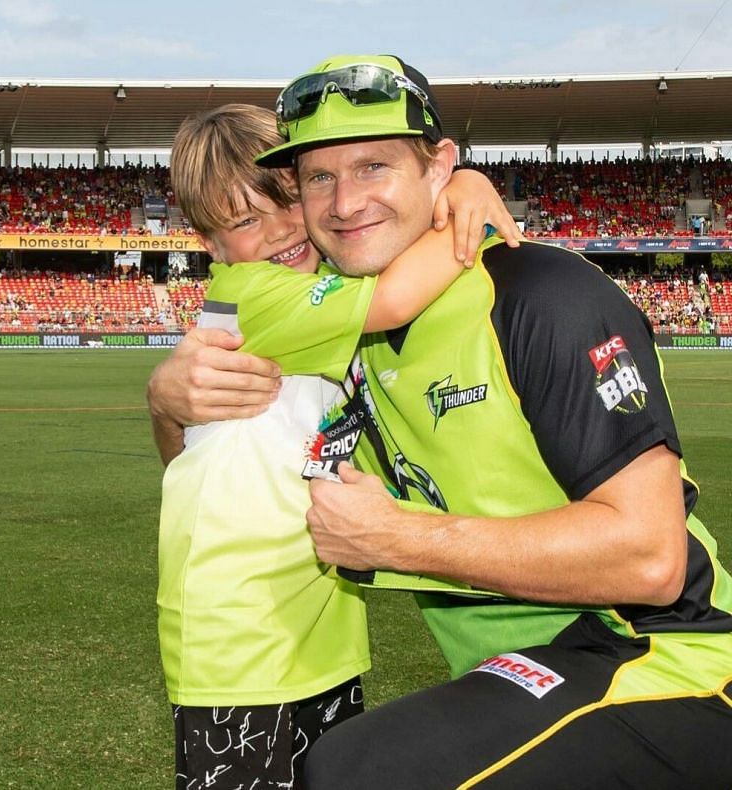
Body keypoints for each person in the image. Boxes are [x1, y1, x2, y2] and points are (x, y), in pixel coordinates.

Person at [150, 55, 732, 788]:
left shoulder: (540, 296)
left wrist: (398, 538)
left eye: (375, 167)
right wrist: (166, 403)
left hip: (662, 656)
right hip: (522, 676)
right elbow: (211, 457)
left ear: (436, 166)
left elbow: (652, 560)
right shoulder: (334, 324)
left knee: (358, 770)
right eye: (320, 178)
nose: (343, 202)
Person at [155, 102, 519, 790]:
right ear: (209, 246)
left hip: (320, 617)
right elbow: (392, 302)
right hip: (240, 629)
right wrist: (463, 201)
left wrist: (449, 185)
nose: (280, 230)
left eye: (287, 199)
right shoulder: (256, 294)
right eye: (243, 221)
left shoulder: (324, 286)